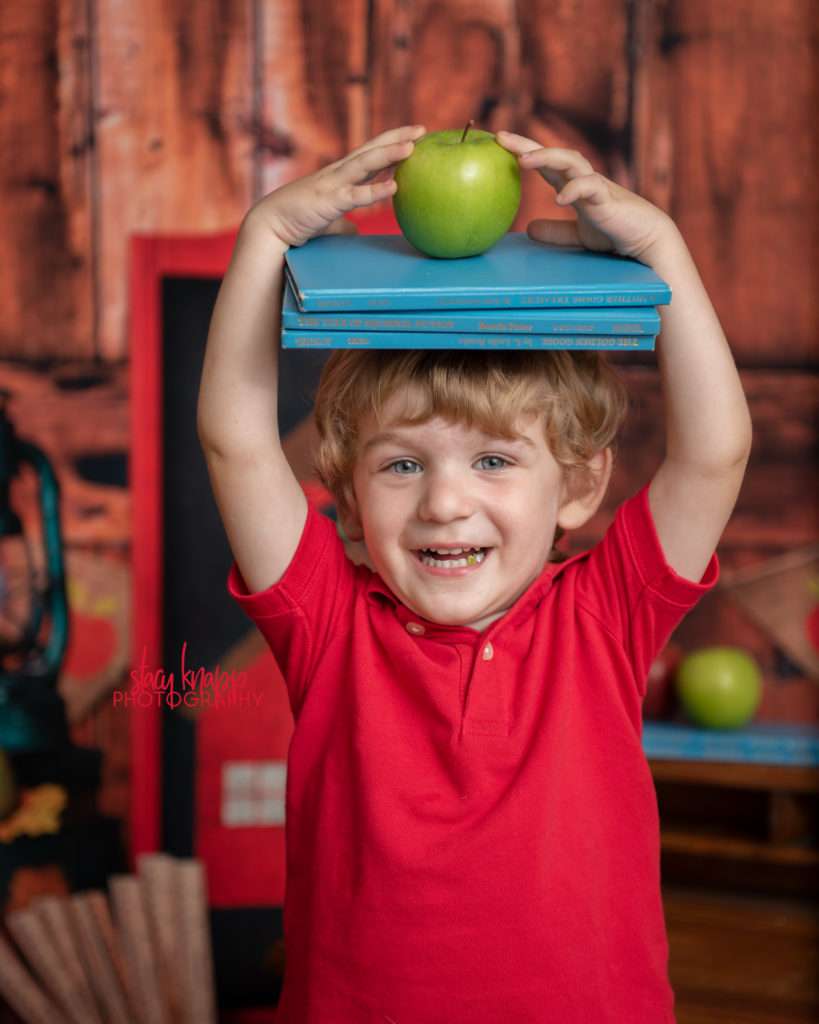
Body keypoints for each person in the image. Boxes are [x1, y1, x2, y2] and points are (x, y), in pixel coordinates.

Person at [197, 124, 752, 1023]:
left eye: (493, 461)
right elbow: (235, 440)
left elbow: (714, 453)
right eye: (401, 465)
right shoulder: (328, 623)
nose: (444, 504)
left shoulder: (604, 616)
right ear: (347, 496)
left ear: (578, 486)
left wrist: (662, 250)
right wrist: (265, 234)